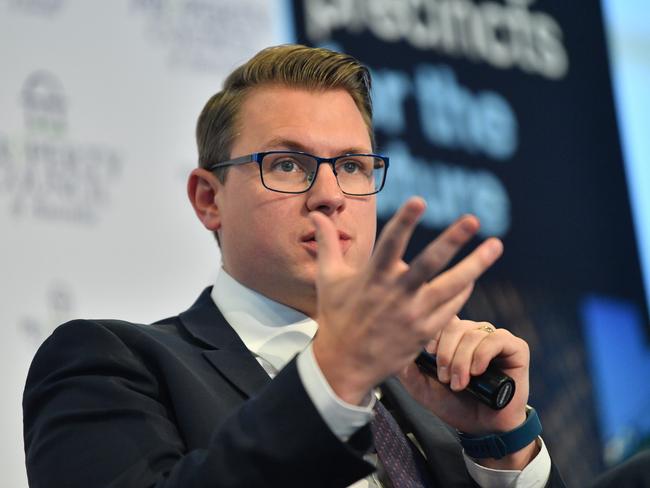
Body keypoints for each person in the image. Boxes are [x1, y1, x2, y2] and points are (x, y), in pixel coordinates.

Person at [23, 45, 565, 487]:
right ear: (209, 199)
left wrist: (502, 449)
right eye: (287, 164)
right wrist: (333, 381)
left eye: (351, 165)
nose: (329, 195)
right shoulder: (108, 365)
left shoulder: (438, 405)